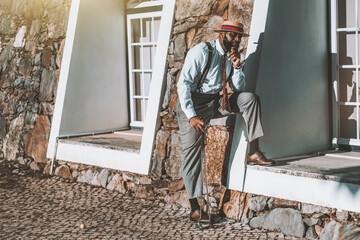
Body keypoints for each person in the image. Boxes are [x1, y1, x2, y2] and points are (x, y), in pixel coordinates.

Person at [176, 20, 274, 222]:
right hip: (193, 104)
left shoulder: (232, 56)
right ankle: (195, 207)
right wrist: (192, 116)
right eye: (233, 36)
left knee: (249, 99)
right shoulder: (202, 52)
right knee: (191, 152)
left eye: (239, 37)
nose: (237, 40)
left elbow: (238, 88)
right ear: (222, 34)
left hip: (215, 102)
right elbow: (183, 84)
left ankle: (253, 151)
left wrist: (237, 67)